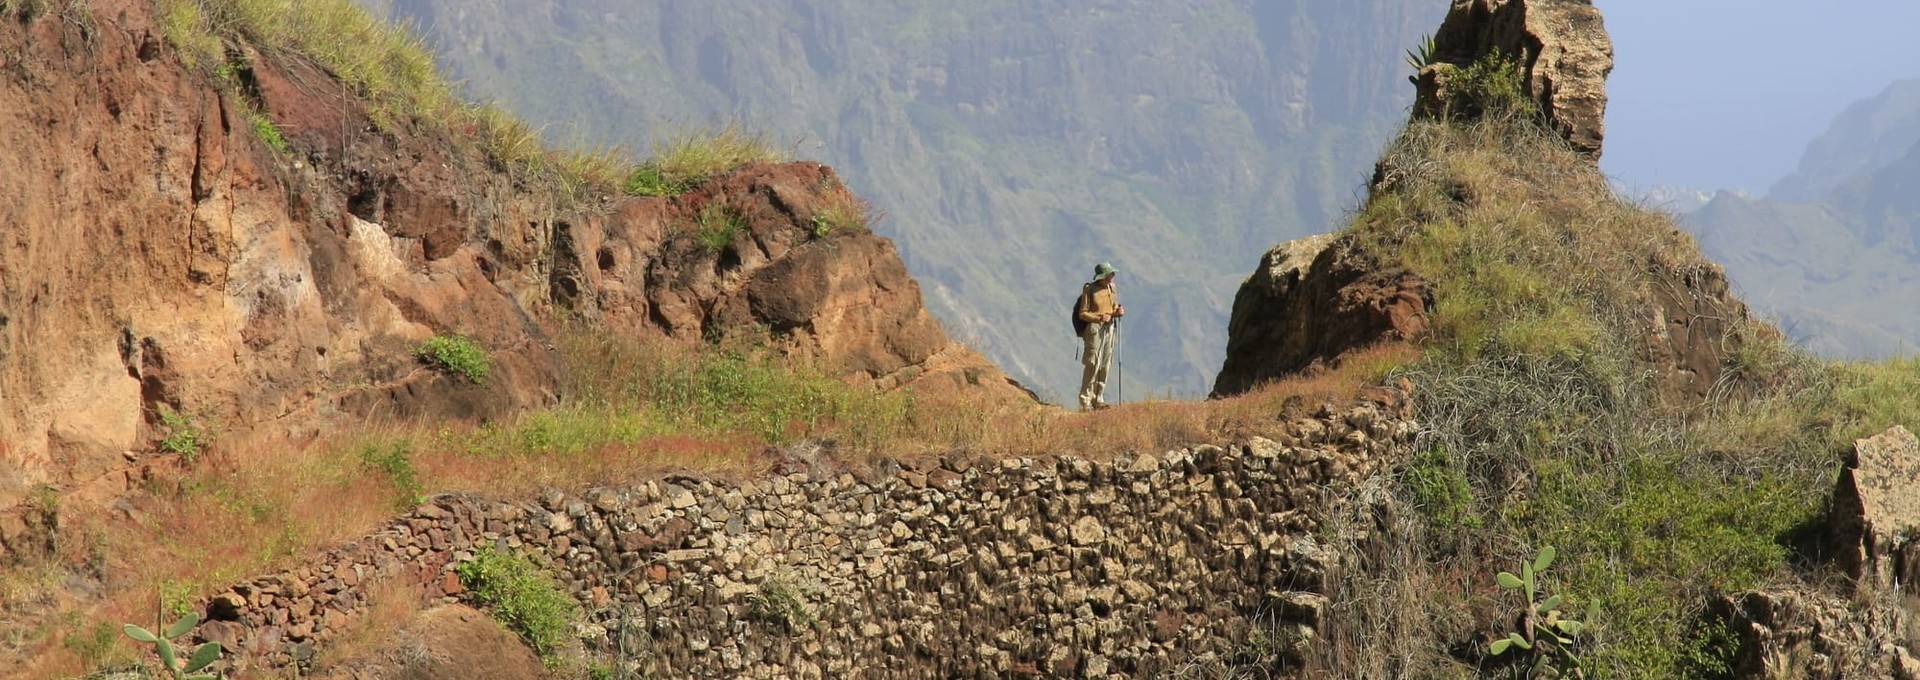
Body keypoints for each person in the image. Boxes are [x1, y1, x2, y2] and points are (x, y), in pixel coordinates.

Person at [1075, 262, 1125, 411]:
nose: (1113, 276)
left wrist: (1118, 311)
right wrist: (1099, 318)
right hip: (1094, 330)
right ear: (1103, 276)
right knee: (1093, 363)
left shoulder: (1112, 288)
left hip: (1109, 328)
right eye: (1110, 274)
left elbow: (1113, 307)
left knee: (1105, 363)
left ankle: (1098, 399)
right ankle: (1085, 401)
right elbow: (1082, 313)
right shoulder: (1090, 289)